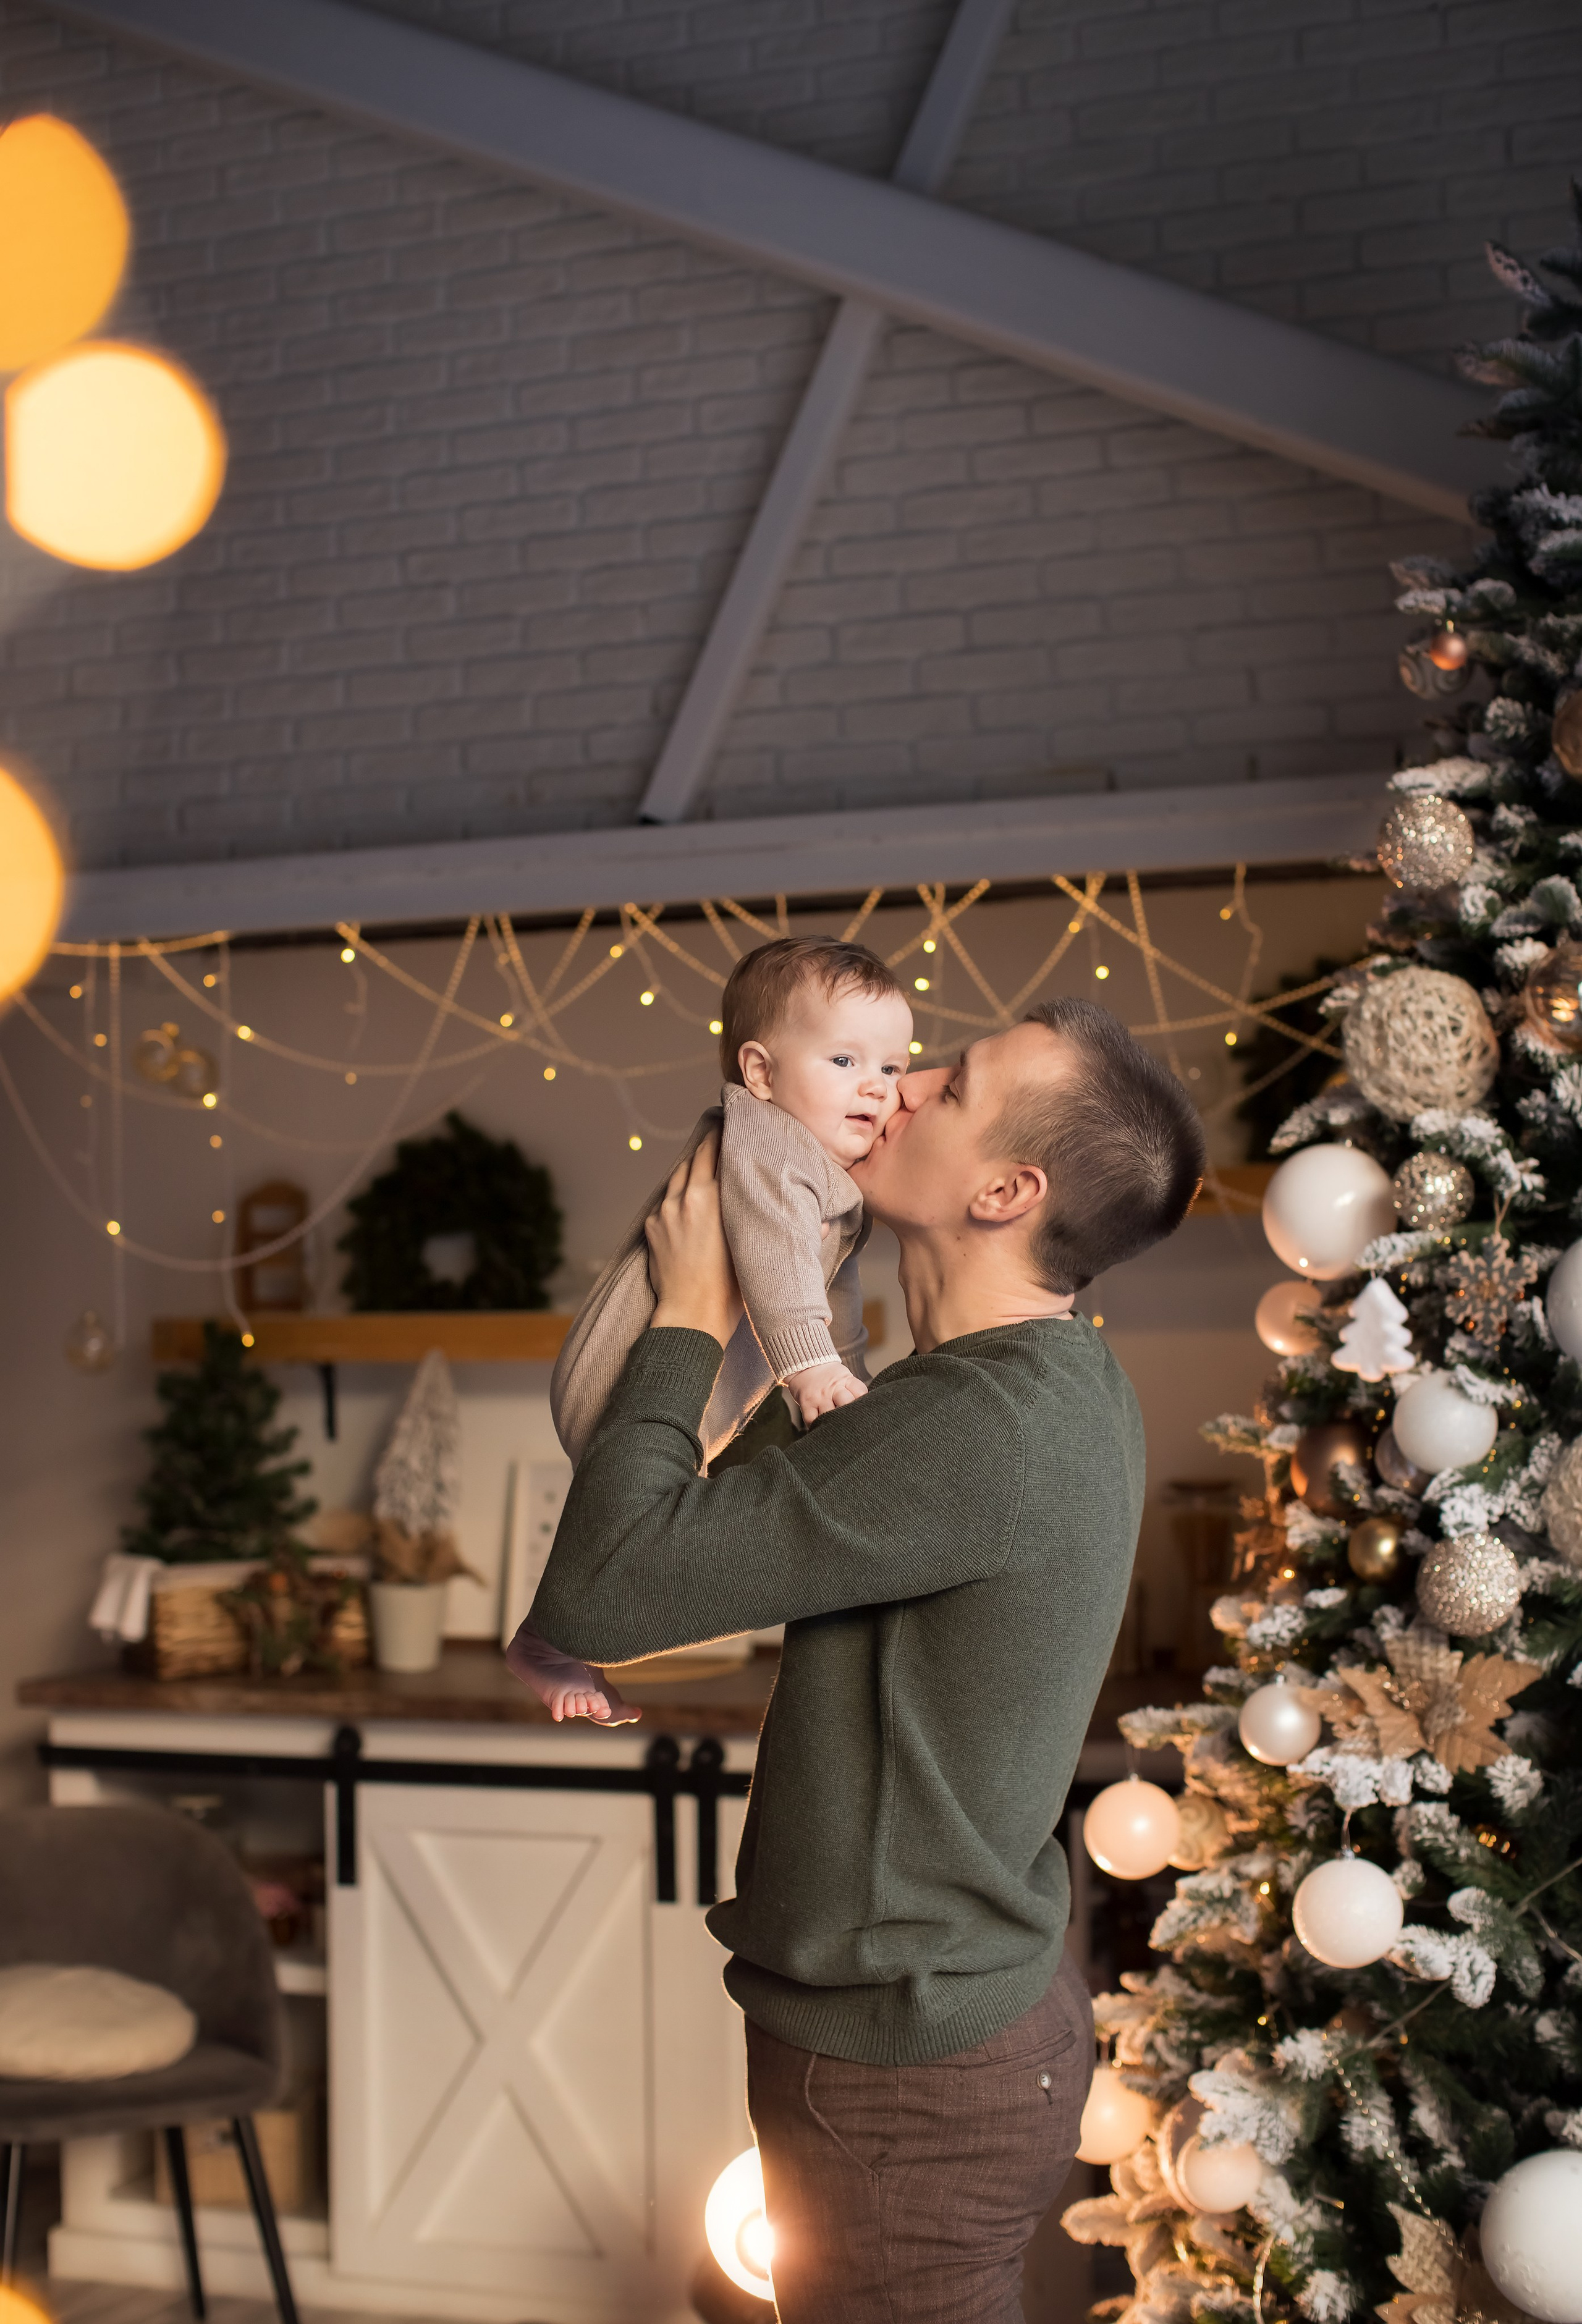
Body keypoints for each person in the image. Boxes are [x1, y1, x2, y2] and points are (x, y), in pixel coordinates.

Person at [528, 997, 1206, 2322]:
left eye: (950, 1088)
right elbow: (722, 1511)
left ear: (1007, 1190)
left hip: (907, 2071)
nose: (903, 1080)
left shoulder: (974, 1423)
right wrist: (786, 1269)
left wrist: (686, 1310)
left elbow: (607, 1584)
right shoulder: (1013, 1379)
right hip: (949, 2019)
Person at [507, 937, 913, 1725]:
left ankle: (550, 1635)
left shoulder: (822, 1173)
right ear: (759, 1072)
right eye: (843, 1060)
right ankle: (552, 1637)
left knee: (725, 1523)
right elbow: (773, 1262)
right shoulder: (766, 1142)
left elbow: (833, 1292)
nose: (876, 1086)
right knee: (675, 1525)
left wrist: (841, 1375)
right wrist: (813, 1373)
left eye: (893, 1067)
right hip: (626, 1371)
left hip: (701, 1388)